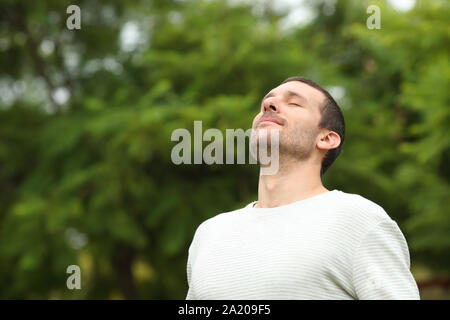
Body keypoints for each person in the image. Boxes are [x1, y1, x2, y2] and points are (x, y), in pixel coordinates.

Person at [185, 76, 420, 300]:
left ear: (326, 139)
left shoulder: (358, 220)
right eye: (267, 101)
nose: (269, 104)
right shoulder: (210, 233)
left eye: (294, 102)